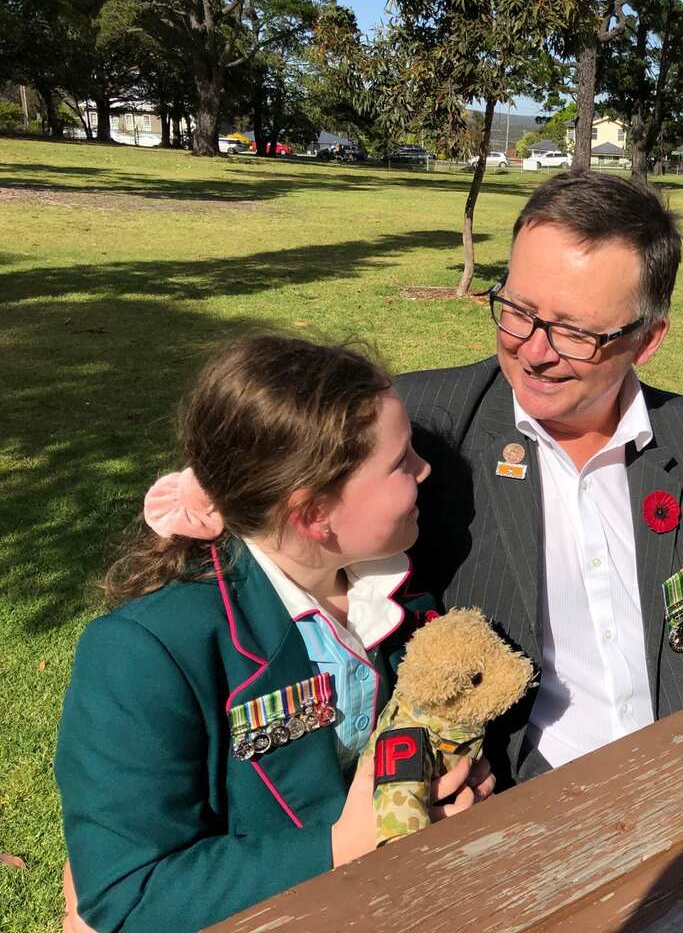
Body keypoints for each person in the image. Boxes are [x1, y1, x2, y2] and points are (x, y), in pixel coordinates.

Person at [55, 336, 494, 933]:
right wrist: (344, 843)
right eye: (401, 462)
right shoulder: (143, 651)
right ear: (313, 514)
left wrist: (450, 777)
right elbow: (126, 892)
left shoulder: (390, 589)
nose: (425, 468)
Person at [398, 171, 683, 787]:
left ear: (647, 340)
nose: (534, 351)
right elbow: (285, 461)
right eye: (518, 311)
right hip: (521, 795)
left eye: (575, 332)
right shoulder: (424, 429)